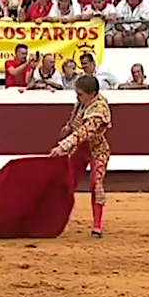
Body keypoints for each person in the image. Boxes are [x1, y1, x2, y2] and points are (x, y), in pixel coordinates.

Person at [49, 76, 112, 238]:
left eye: (80, 94)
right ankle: (56, 220)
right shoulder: (83, 103)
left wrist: (63, 146)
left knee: (95, 184)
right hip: (80, 150)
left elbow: (84, 132)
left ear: (92, 94)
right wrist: (68, 126)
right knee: (67, 183)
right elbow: (76, 119)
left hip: (98, 150)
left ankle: (97, 226)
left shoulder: (99, 110)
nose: (77, 97)